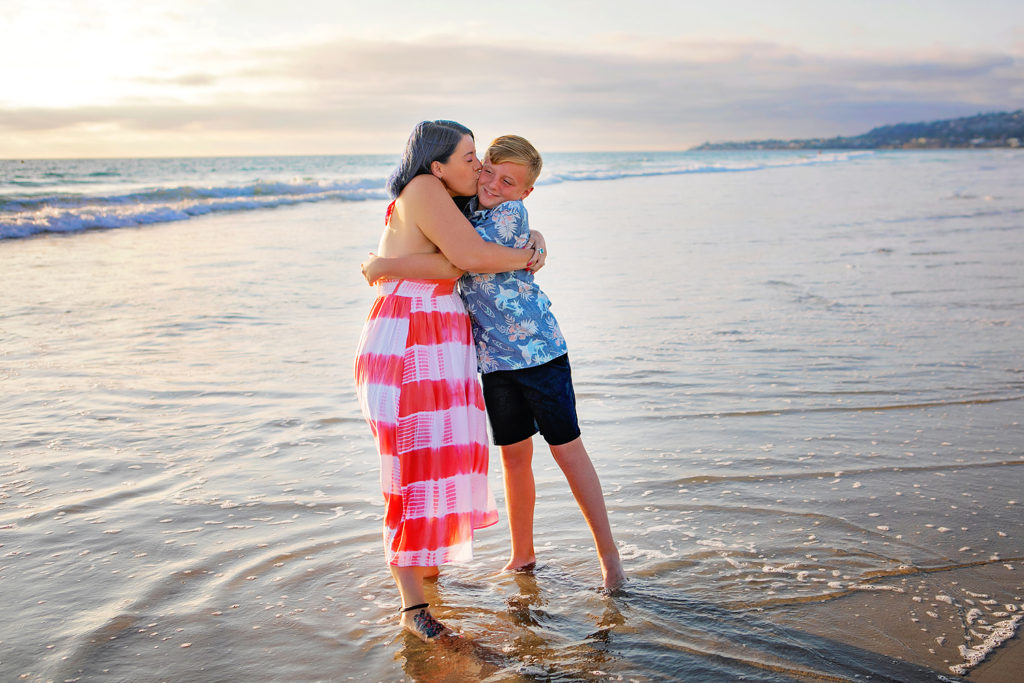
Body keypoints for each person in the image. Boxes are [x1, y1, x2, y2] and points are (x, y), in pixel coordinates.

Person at [363, 135, 626, 591]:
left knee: (567, 451)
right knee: (514, 458)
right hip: (494, 360)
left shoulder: (509, 214)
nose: (492, 183)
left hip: (539, 353)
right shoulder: (466, 209)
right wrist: (536, 242)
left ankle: (610, 560)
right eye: (487, 169)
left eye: (509, 181)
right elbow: (442, 234)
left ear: (525, 193)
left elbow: (456, 261)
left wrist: (385, 265)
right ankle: (522, 554)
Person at [353, 121, 543, 642]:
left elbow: (458, 258)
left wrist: (532, 238)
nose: (479, 167)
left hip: (437, 338)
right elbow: (469, 259)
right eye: (468, 157)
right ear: (436, 166)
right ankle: (413, 608)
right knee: (412, 466)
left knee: (436, 458)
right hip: (411, 339)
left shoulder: (448, 200)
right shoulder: (424, 189)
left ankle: (425, 575)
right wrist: (528, 258)